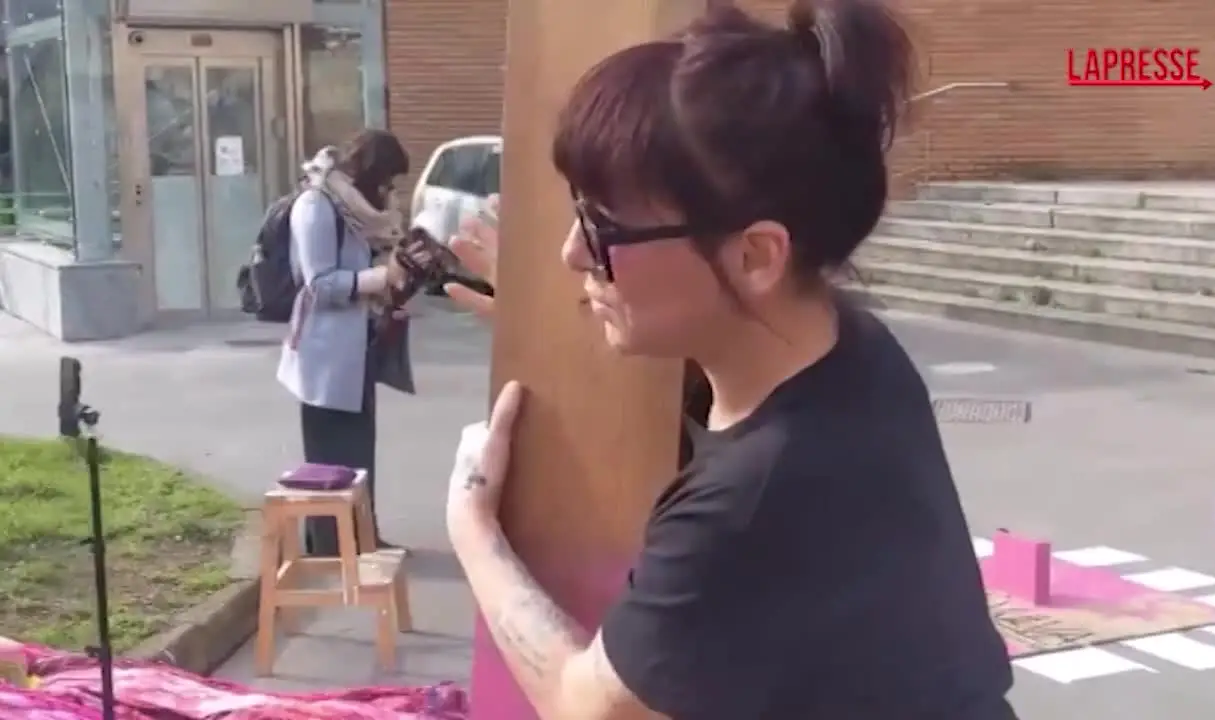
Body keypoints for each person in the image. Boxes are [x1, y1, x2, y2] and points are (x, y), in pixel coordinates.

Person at [443, 1, 1016, 717]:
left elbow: (585, 704)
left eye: (603, 229)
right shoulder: (852, 349)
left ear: (756, 256)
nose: (573, 255)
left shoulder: (752, 500)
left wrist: (473, 528)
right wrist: (563, 321)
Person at [277, 129, 432, 556]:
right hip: (325, 353)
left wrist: (403, 276)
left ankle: (362, 537)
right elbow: (319, 284)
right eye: (386, 181)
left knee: (360, 452)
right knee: (332, 454)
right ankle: (330, 545)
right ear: (368, 173)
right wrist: (382, 278)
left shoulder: (358, 211)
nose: (388, 192)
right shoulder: (317, 205)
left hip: (358, 347)